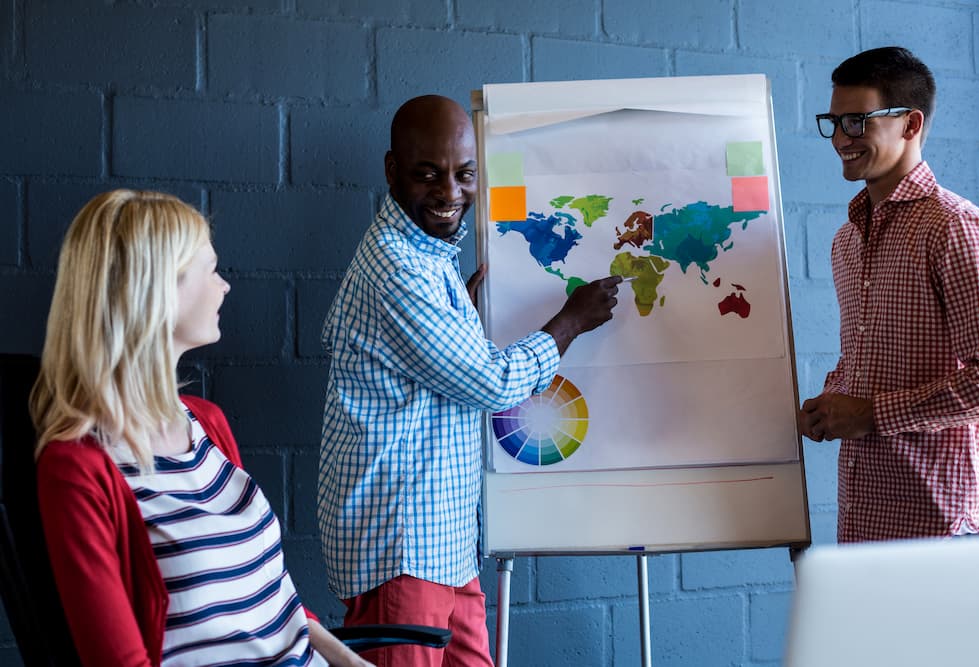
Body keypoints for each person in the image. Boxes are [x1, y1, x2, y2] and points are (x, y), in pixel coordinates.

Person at [318, 95, 621, 666]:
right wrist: (570, 322)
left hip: (444, 543)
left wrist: (460, 319)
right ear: (392, 171)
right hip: (403, 547)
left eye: (464, 174)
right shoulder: (398, 267)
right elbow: (491, 383)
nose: (450, 192)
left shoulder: (429, 255)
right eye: (427, 174)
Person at [30, 189, 372, 667]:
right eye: (210, 270)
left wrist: (352, 662)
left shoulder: (207, 424)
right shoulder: (77, 469)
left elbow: (272, 597)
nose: (224, 286)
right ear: (158, 290)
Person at [799, 46, 979, 542]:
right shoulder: (847, 239)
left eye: (857, 121)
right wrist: (833, 401)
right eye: (834, 122)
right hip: (864, 518)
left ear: (910, 124)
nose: (841, 138)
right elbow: (868, 356)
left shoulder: (955, 229)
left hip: (943, 526)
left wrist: (871, 414)